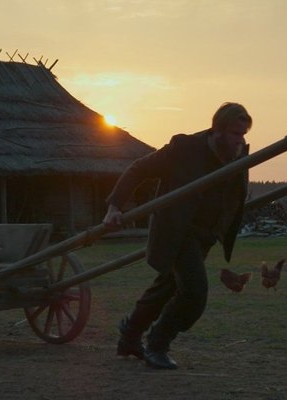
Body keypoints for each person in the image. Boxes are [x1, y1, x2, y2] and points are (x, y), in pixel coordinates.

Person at [103, 102, 252, 369]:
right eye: (235, 134)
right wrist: (115, 207)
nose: (240, 140)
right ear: (217, 130)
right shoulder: (184, 148)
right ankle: (157, 344)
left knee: (165, 288)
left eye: (243, 134)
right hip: (177, 231)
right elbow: (139, 169)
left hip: (205, 236)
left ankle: (129, 336)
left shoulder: (238, 155)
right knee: (194, 294)